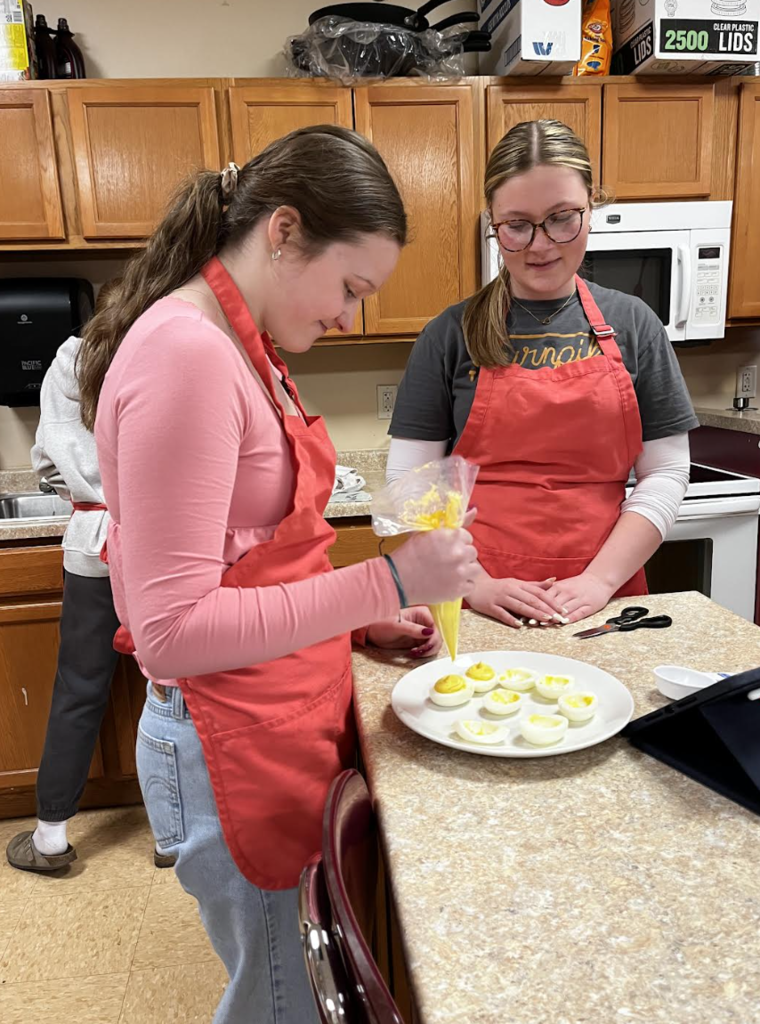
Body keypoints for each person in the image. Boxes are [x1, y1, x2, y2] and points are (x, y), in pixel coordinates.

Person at [75, 126, 477, 1024]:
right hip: (229, 747)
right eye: (350, 287)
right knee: (283, 1005)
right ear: (283, 230)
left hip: (274, 721)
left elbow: (247, 565)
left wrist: (352, 622)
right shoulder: (188, 356)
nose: (348, 315)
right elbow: (175, 628)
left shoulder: (241, 348)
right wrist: (388, 584)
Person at [388, 119, 698, 627]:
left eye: (561, 218)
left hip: (604, 598)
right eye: (517, 224)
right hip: (477, 602)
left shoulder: (635, 325)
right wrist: (477, 584)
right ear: (492, 221)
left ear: (591, 208)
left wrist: (598, 581)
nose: (540, 245)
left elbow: (665, 473)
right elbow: (410, 481)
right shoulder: (450, 333)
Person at [6, 281, 174, 875]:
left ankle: (51, 838)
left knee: (79, 688)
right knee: (174, 688)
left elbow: (50, 459)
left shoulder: (71, 359)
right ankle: (172, 837)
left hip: (94, 544)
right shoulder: (174, 349)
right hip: (168, 546)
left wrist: (85, 489)